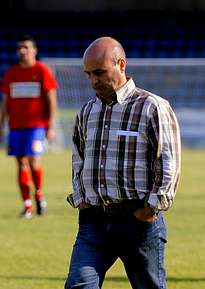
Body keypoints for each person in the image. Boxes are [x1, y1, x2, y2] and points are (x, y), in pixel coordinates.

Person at [64, 36, 181, 289]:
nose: (93, 80)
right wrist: (81, 197)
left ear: (121, 64)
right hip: (93, 223)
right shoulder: (86, 111)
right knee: (78, 285)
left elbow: (169, 163)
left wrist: (150, 209)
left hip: (137, 220)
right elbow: (78, 159)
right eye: (88, 74)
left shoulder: (152, 107)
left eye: (99, 72)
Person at [0, 35, 58, 219]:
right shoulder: (11, 73)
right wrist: (1, 125)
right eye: (20, 48)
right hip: (16, 127)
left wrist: (50, 126)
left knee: (33, 161)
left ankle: (39, 195)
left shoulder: (42, 71)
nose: (22, 51)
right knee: (21, 163)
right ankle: (27, 205)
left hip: (36, 127)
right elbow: (5, 102)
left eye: (26, 47)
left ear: (34, 50)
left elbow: (51, 99)